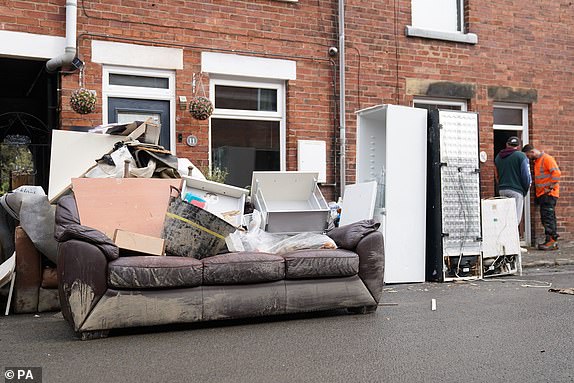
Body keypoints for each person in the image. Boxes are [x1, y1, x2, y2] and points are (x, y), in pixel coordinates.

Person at [521, 143, 561, 250]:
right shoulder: (538, 161)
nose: (528, 158)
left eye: (528, 155)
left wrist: (550, 188)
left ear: (532, 152)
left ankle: (552, 241)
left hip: (548, 194)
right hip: (543, 194)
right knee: (546, 217)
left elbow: (557, 174)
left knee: (548, 218)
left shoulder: (547, 159)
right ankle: (550, 240)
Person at [494, 136, 531, 224]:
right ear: (518, 146)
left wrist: (500, 186)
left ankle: (505, 237)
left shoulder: (498, 157)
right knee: (515, 219)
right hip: (516, 191)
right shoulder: (521, 156)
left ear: (507, 144)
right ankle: (512, 237)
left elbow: (496, 175)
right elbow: (526, 175)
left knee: (505, 217)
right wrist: (525, 190)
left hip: (502, 190)